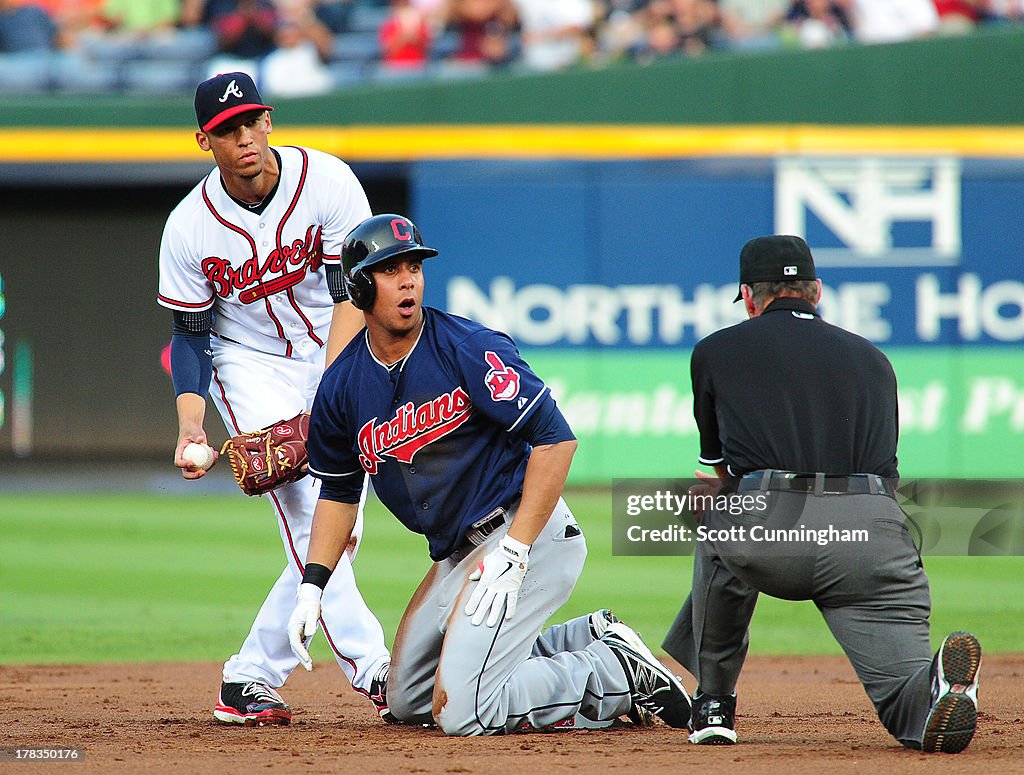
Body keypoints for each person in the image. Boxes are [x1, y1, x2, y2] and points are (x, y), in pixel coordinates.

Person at [286, 213, 693, 735]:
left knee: (463, 711)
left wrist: (517, 551)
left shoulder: (465, 348)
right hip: (457, 554)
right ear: (361, 285)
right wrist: (312, 589)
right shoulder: (342, 386)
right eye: (391, 270)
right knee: (406, 700)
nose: (409, 279)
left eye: (415, 266)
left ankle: (612, 673)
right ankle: (591, 636)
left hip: (526, 536)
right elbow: (340, 491)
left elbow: (556, 438)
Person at [661, 235, 982, 753]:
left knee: (717, 508)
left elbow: (717, 469)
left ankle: (714, 703)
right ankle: (930, 698)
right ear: (817, 291)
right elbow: (889, 474)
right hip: (872, 533)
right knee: (905, 693)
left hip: (770, 529)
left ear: (748, 295)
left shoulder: (716, 350)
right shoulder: (874, 359)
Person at [156, 71, 391, 727]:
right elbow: (191, 336)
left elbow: (353, 294)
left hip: (334, 349)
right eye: (227, 129)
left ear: (269, 121)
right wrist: (191, 425)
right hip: (248, 363)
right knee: (310, 515)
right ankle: (379, 671)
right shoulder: (189, 228)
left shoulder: (329, 181)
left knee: (340, 530)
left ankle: (249, 676)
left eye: (251, 121)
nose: (244, 137)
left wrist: (332, 397)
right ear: (205, 140)